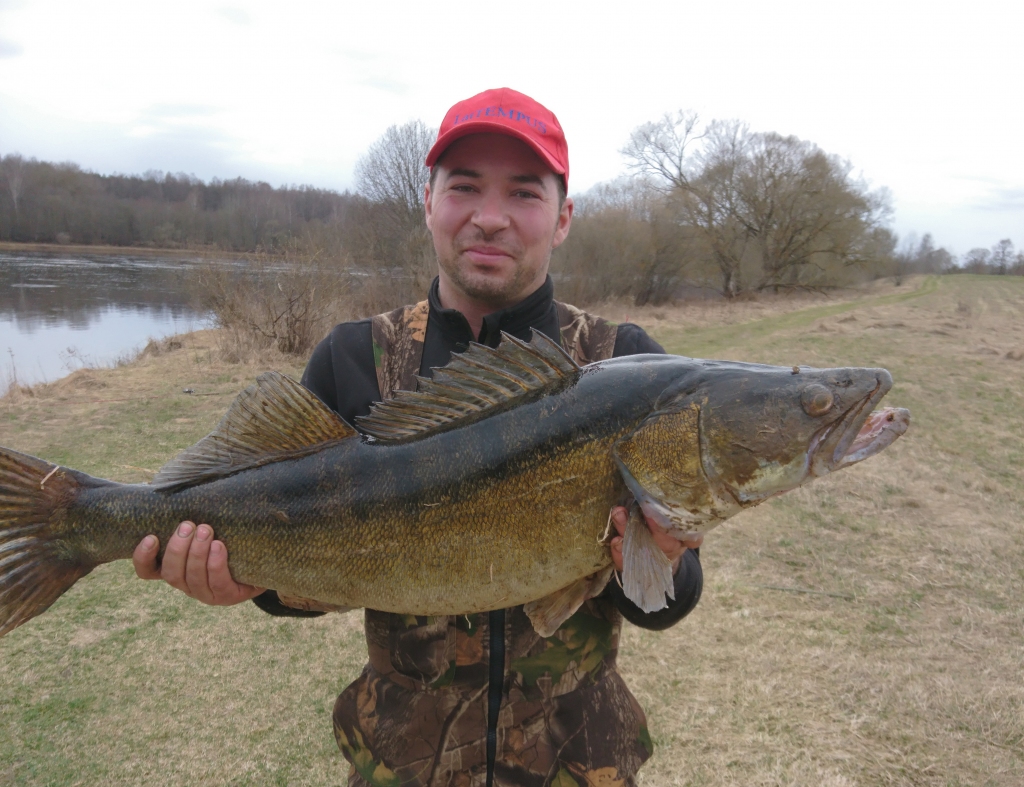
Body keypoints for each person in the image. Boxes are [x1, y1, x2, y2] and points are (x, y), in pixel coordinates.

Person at [133, 88, 704, 787]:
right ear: (428, 200)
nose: (489, 218)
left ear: (563, 218)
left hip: (579, 762)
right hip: (399, 766)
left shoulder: (625, 364)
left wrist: (663, 559)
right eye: (464, 186)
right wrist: (243, 581)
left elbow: (666, 602)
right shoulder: (353, 358)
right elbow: (290, 555)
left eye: (524, 193)